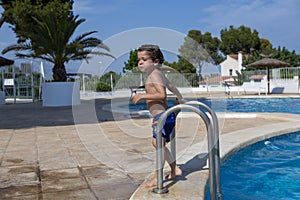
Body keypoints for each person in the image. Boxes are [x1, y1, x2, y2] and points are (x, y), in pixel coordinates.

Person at [131, 44, 185, 188]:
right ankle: (175, 169)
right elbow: (171, 86)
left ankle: (157, 178)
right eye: (138, 60)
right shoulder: (158, 74)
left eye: (144, 59)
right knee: (157, 143)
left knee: (159, 145)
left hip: (162, 116)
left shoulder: (154, 74)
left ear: (155, 61)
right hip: (162, 116)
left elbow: (162, 95)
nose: (140, 62)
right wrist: (180, 99)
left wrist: (142, 96)